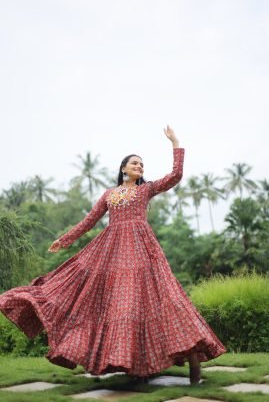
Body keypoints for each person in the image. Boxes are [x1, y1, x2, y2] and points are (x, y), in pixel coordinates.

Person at [0, 126, 226, 384]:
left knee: (164, 299)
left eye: (142, 164)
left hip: (142, 250)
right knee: (119, 305)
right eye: (134, 163)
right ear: (123, 169)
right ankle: (134, 367)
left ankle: (193, 368)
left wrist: (175, 143)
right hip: (112, 252)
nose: (139, 166)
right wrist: (65, 240)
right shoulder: (109, 194)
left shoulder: (145, 190)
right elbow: (89, 221)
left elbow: (176, 175)